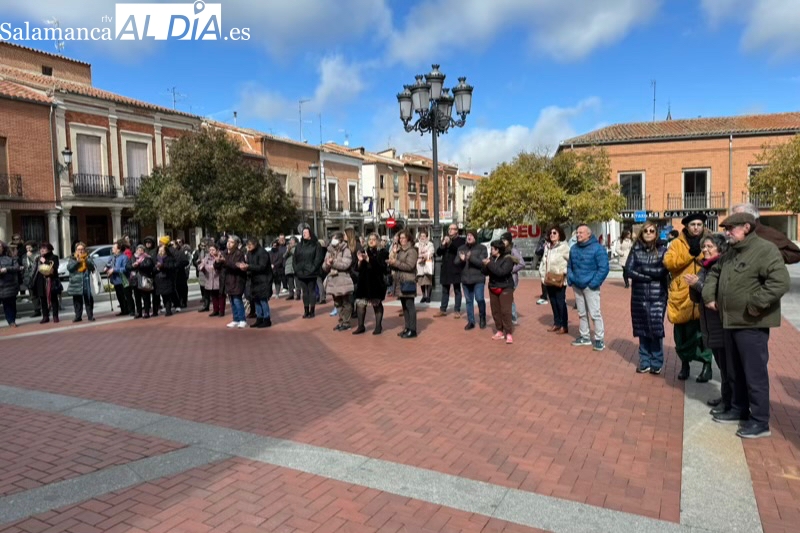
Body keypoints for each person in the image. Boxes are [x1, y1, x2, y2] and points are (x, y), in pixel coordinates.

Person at [703, 212, 790, 439]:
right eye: (726, 228)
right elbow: (714, 271)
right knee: (734, 371)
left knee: (754, 374)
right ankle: (738, 409)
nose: (727, 232)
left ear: (747, 228)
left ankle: (760, 421)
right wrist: (709, 294)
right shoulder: (732, 252)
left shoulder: (765, 250)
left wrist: (754, 304)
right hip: (730, 321)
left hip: (752, 323)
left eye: (731, 228)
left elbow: (780, 282)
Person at [664, 213, 713, 382]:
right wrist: (689, 255)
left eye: (699, 224)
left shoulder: (710, 241)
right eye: (693, 224)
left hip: (702, 293)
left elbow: (716, 259)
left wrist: (701, 255)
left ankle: (707, 366)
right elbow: (669, 263)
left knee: (703, 335)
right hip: (682, 296)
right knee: (681, 335)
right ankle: (685, 365)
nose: (696, 227)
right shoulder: (677, 243)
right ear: (686, 226)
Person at [685, 234, 729, 410]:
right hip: (709, 324)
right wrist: (694, 286)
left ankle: (730, 401)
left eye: (709, 246)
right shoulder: (705, 267)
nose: (705, 250)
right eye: (704, 247)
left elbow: (718, 295)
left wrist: (698, 285)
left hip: (720, 324)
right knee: (723, 366)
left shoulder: (721, 266)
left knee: (728, 367)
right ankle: (726, 397)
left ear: (720, 248)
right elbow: (699, 298)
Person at [625, 221, 669, 374]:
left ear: (656, 233)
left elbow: (662, 271)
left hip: (658, 296)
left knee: (656, 329)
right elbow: (629, 271)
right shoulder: (635, 250)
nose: (649, 233)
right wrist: (648, 277)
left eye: (652, 231)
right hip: (639, 296)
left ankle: (656, 361)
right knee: (642, 328)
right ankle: (645, 361)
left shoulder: (663, 250)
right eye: (646, 231)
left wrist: (643, 269)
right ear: (641, 234)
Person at [567, 224, 609, 351]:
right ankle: (584, 336)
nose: (578, 235)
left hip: (590, 286)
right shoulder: (573, 248)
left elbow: (604, 268)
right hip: (577, 285)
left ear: (588, 234)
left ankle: (599, 339)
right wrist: (571, 279)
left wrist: (593, 283)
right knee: (581, 313)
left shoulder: (598, 249)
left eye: (581, 232)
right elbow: (570, 266)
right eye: (577, 232)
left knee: (595, 313)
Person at [731, 203, 800, 264]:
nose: (733, 221)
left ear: (749, 217)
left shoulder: (768, 233)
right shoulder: (736, 234)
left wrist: (766, 256)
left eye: (737, 217)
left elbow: (796, 254)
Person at [353, 233, 388, 335]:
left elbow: (382, 268)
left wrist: (369, 260)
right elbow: (357, 268)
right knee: (360, 303)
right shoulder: (364, 251)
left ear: (377, 241)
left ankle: (378, 326)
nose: (371, 241)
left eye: (373, 239)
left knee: (376, 304)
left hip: (376, 282)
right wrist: (359, 261)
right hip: (363, 282)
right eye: (369, 240)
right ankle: (361, 326)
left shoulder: (382, 252)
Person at [482, 240, 515, 344]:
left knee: (506, 311)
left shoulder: (508, 259)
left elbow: (501, 272)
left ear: (498, 249)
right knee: (495, 310)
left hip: (505, 287)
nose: (491, 250)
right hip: (493, 287)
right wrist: (485, 265)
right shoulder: (491, 259)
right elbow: (485, 272)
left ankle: (508, 333)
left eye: (492, 249)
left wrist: (490, 264)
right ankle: (499, 330)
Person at [455, 230, 488, 330]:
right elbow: (456, 262)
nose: (469, 237)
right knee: (469, 301)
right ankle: (471, 321)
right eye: (468, 235)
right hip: (465, 279)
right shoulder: (461, 248)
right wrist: (461, 259)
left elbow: (482, 263)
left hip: (478, 278)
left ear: (475, 237)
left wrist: (470, 257)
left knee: (479, 299)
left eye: (471, 236)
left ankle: (482, 317)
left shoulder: (482, 248)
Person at [389, 229, 419, 338]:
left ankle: (413, 329)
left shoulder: (412, 251)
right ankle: (407, 327)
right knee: (404, 306)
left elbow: (409, 266)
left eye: (403, 238)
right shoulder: (400, 251)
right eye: (400, 238)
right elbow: (397, 265)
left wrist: (396, 262)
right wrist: (392, 260)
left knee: (410, 306)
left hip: (408, 281)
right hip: (400, 281)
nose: (401, 240)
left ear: (408, 238)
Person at [541, 225, 571, 334]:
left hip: (559, 279)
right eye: (551, 233)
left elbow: (570, 262)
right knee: (553, 302)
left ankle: (564, 325)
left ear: (560, 235)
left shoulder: (564, 247)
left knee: (560, 302)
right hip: (549, 278)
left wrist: (564, 272)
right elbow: (543, 262)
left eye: (555, 233)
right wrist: (542, 274)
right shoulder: (547, 247)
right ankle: (557, 323)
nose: (552, 235)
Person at [323, 231, 355, 331]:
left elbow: (345, 264)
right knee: (337, 303)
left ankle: (346, 322)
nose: (333, 240)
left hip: (343, 279)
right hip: (333, 280)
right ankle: (341, 321)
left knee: (346, 302)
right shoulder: (329, 250)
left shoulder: (346, 250)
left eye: (335, 238)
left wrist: (334, 262)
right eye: (332, 238)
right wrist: (327, 264)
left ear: (340, 240)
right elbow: (324, 267)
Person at [294, 227, 326, 319]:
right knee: (305, 292)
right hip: (301, 272)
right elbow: (295, 259)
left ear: (310, 234)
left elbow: (318, 258)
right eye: (303, 232)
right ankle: (306, 310)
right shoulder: (299, 245)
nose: (304, 234)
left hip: (311, 272)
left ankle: (312, 311)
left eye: (306, 232)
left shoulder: (316, 245)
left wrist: (312, 269)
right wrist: (297, 269)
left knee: (311, 291)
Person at [434, 224, 465, 318]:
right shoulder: (445, 240)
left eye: (452, 229)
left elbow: (458, 250)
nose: (450, 231)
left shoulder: (461, 240)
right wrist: (443, 245)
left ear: (456, 231)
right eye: (449, 229)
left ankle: (457, 310)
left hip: (455, 268)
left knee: (457, 290)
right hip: (446, 269)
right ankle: (443, 309)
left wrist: (450, 244)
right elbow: (438, 252)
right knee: (445, 290)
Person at [241, 238, 273, 328]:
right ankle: (259, 318)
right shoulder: (249, 253)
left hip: (263, 280)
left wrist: (249, 266)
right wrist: (245, 267)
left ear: (255, 244)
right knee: (256, 300)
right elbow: (249, 264)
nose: (248, 247)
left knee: (263, 300)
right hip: (254, 280)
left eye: (250, 245)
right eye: (247, 245)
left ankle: (266, 319)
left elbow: (262, 266)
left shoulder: (262, 253)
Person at [220, 235, 248, 328]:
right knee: (231, 301)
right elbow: (219, 266)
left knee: (237, 300)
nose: (229, 243)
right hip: (228, 280)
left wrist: (225, 261)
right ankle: (235, 319)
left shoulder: (239, 254)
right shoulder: (224, 253)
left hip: (237, 280)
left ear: (236, 244)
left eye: (231, 242)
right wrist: (217, 261)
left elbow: (236, 265)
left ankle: (242, 319)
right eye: (228, 241)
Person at [66, 242, 97, 322]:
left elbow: (92, 267)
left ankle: (90, 316)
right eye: (79, 249)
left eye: (82, 249)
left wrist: (85, 260)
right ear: (76, 250)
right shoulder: (72, 258)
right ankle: (78, 316)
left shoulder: (88, 257)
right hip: (76, 282)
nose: (81, 251)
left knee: (89, 299)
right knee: (77, 301)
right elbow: (70, 268)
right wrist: (77, 262)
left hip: (86, 281)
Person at [31, 242, 61, 323]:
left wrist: (45, 261)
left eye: (44, 248)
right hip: (41, 281)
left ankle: (55, 316)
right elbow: (35, 269)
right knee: (43, 299)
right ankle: (45, 316)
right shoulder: (38, 258)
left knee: (53, 298)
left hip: (51, 280)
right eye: (41, 249)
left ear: (49, 249)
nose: (42, 250)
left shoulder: (54, 257)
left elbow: (55, 267)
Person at [501, 232, 525, 325]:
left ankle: (513, 317)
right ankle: (510, 316)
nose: (503, 242)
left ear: (509, 241)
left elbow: (522, 263)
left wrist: (511, 269)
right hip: (504, 278)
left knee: (508, 298)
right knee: (508, 298)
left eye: (504, 240)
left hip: (512, 279)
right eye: (502, 240)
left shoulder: (513, 250)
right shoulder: (503, 249)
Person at [0, 240, 23, 327]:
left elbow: (17, 268)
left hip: (8, 286)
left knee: (10, 305)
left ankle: (11, 321)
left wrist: (7, 269)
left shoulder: (10, 258)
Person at [130, 244, 155, 319]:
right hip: (135, 280)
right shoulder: (133, 257)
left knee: (145, 297)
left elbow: (149, 265)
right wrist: (132, 266)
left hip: (144, 279)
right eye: (138, 249)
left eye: (141, 250)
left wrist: (138, 265)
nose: (139, 251)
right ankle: (139, 312)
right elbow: (127, 266)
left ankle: (146, 312)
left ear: (144, 251)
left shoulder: (147, 257)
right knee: (137, 298)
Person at [106, 242, 130, 317]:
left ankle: (128, 309)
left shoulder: (124, 257)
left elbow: (125, 268)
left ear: (118, 249)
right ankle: (123, 310)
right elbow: (108, 264)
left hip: (123, 280)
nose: (112, 249)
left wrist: (114, 270)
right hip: (115, 280)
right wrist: (106, 268)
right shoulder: (113, 257)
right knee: (119, 296)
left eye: (114, 247)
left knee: (125, 296)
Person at [200, 243, 224, 317]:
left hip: (218, 279)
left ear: (217, 250)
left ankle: (221, 311)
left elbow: (221, 267)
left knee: (221, 295)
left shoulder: (220, 257)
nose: (211, 251)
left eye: (213, 250)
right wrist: (201, 267)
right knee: (213, 296)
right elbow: (201, 265)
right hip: (209, 279)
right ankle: (215, 310)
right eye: (210, 250)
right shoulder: (207, 257)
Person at [154, 244, 176, 316]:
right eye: (159, 250)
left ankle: (168, 310)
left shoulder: (169, 258)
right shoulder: (156, 259)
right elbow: (152, 269)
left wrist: (162, 266)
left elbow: (171, 267)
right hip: (159, 279)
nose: (161, 252)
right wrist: (156, 268)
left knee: (167, 296)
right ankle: (158, 310)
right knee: (162, 295)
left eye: (162, 250)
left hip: (167, 278)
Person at [20, 241, 41, 318]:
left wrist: (31, 256)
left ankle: (46, 309)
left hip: (38, 276)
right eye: (27, 248)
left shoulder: (38, 254)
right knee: (33, 295)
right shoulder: (24, 256)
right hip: (28, 277)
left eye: (30, 247)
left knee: (41, 294)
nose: (28, 249)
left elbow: (38, 263)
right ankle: (37, 310)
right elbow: (24, 266)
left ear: (34, 247)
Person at [143, 236, 161, 316]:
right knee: (146, 294)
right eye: (146, 242)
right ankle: (146, 311)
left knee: (155, 294)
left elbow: (159, 260)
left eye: (149, 242)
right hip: (146, 275)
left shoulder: (156, 250)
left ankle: (155, 310)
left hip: (154, 275)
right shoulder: (144, 251)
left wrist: (156, 269)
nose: (148, 244)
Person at [415, 230, 435, 303]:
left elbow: (431, 252)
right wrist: (422, 255)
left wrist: (424, 255)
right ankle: (423, 296)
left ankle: (428, 296)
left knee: (428, 280)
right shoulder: (417, 244)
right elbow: (415, 253)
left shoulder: (430, 244)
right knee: (421, 281)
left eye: (424, 236)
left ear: (427, 237)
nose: (422, 237)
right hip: (419, 263)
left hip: (427, 263)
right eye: (421, 236)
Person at [193, 241, 210, 312]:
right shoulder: (200, 252)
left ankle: (210, 305)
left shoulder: (209, 251)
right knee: (204, 289)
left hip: (209, 272)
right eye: (202, 246)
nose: (203, 247)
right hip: (202, 272)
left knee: (210, 290)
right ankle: (206, 305)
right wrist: (198, 262)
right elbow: (196, 260)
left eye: (204, 245)